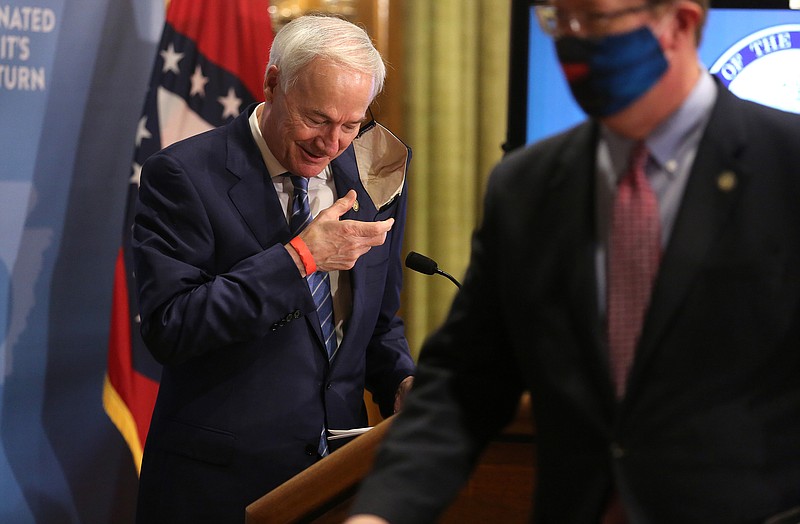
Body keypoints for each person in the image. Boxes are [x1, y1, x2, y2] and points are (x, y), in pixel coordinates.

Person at [346, 0, 800, 523]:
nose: (573, 39)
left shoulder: (785, 168)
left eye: (596, 19)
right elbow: (464, 383)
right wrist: (380, 513)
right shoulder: (528, 187)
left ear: (680, 21)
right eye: (559, 19)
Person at [132, 14, 415, 523]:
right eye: (316, 119)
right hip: (220, 489)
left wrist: (400, 380)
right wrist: (299, 259)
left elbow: (378, 320)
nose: (332, 144)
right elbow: (170, 327)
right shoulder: (182, 175)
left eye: (351, 125)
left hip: (337, 482)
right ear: (272, 82)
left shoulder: (378, 171)